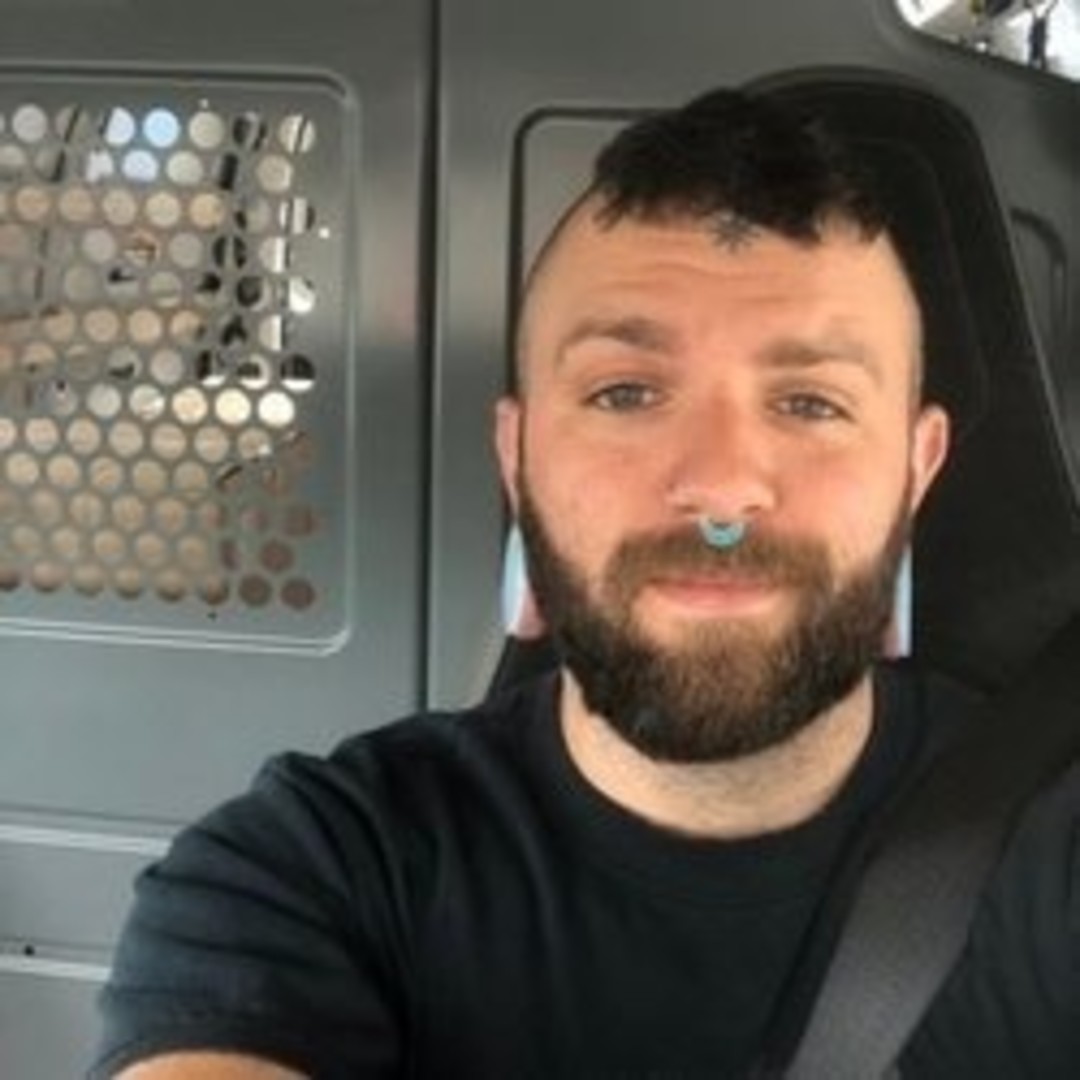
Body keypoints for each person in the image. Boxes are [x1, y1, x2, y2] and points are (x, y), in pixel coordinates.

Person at [91, 88, 1079, 1079]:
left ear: (917, 468)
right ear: (517, 459)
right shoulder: (315, 869)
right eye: (626, 392)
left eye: (812, 403)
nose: (720, 485)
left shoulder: (1057, 848)